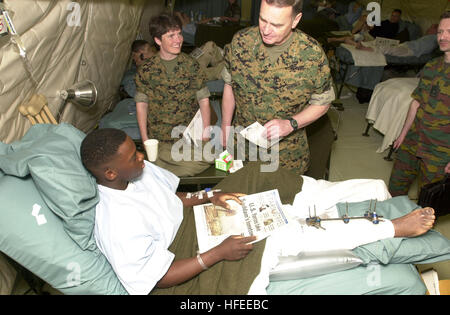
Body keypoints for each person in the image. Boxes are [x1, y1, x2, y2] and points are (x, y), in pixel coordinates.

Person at [80, 128, 436, 295]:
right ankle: (390, 229)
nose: (142, 158)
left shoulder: (137, 173)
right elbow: (156, 279)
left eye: (138, 151)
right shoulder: (116, 222)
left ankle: (325, 195)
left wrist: (206, 197)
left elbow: (174, 199)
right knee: (280, 230)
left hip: (198, 220)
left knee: (255, 174)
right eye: (134, 157)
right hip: (184, 256)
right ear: (110, 173)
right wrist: (216, 255)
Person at [221, 0, 335, 175]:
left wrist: (291, 124)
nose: (266, 30)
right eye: (262, 19)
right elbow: (229, 85)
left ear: (295, 20)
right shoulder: (241, 42)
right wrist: (225, 126)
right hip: (241, 146)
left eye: (276, 24)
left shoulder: (311, 54)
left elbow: (323, 103)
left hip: (285, 155)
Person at [134, 14, 214, 177]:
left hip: (188, 137)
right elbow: (142, 105)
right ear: (158, 40)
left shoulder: (191, 65)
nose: (178, 40)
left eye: (179, 34)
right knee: (158, 160)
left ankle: (162, 169)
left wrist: (205, 136)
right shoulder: (147, 70)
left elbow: (204, 101)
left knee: (211, 157)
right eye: (171, 36)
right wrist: (145, 140)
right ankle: (162, 166)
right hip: (160, 138)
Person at [388, 11, 450, 197]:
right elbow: (416, 102)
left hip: (439, 150)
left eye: (448, 31)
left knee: (428, 204)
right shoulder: (432, 66)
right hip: (413, 141)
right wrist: (403, 134)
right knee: (393, 191)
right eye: (439, 32)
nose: (442, 36)